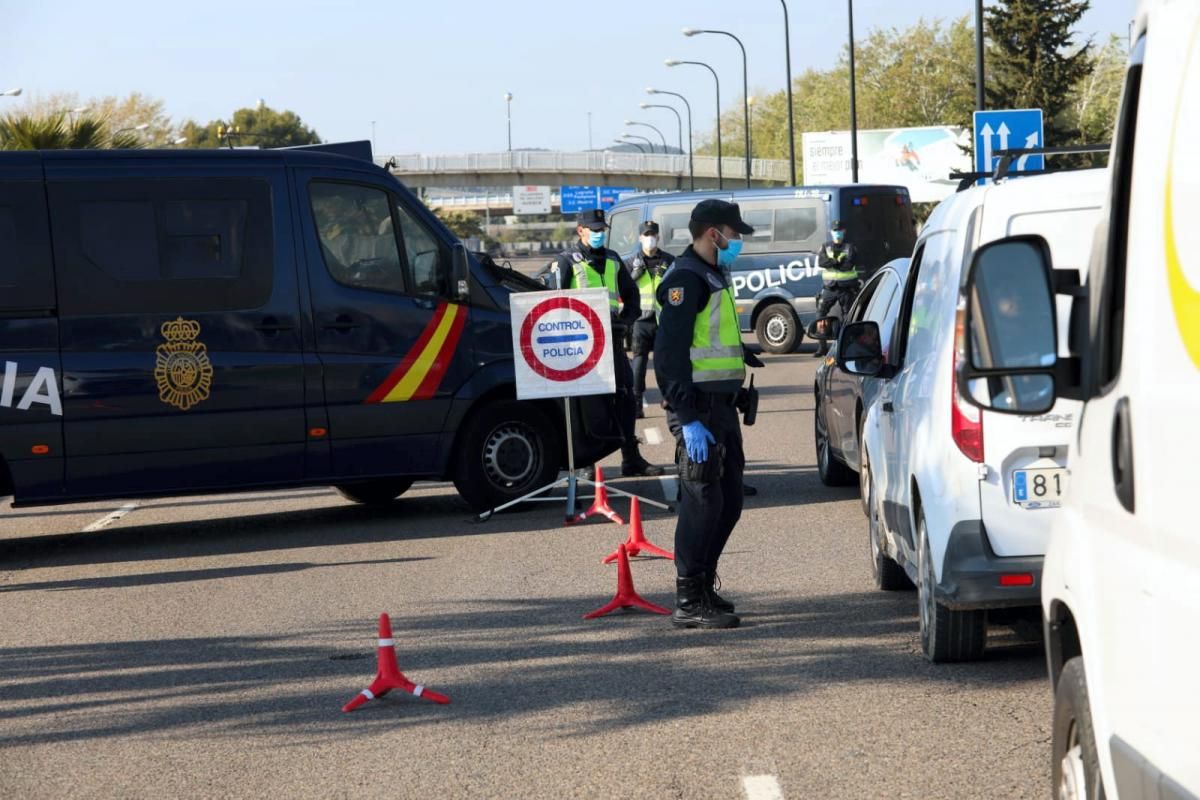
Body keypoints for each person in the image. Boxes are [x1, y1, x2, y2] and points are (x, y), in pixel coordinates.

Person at [654, 199, 754, 629]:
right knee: (702, 501)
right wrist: (686, 415)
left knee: (728, 500)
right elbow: (670, 355)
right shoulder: (685, 280)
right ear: (714, 233)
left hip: (722, 408)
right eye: (734, 233)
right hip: (697, 410)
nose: (738, 241)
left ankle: (703, 585)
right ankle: (687, 599)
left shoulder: (713, 273)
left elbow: (709, 339)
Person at [556, 209, 663, 477]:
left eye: (601, 229)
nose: (599, 234)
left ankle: (631, 458)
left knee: (626, 398)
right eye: (594, 230)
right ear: (580, 230)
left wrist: (625, 322)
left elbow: (632, 297)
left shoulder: (614, 260)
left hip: (612, 342)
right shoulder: (566, 261)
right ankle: (586, 463)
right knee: (587, 404)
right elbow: (554, 304)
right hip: (581, 347)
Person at [626, 221, 675, 419]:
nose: (650, 238)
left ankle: (668, 398)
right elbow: (623, 290)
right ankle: (637, 402)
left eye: (653, 234)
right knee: (639, 364)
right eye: (646, 234)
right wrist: (633, 277)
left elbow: (678, 291)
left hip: (663, 321)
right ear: (640, 238)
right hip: (641, 321)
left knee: (665, 363)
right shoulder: (631, 263)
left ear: (658, 237)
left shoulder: (669, 261)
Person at [813, 220, 862, 357]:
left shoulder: (850, 247)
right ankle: (821, 347)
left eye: (839, 230)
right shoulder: (826, 247)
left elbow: (848, 265)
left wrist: (832, 264)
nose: (837, 233)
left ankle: (847, 346)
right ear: (831, 232)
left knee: (848, 317)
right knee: (820, 314)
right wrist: (836, 262)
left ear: (844, 231)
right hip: (830, 288)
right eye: (835, 230)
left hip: (846, 289)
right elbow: (821, 262)